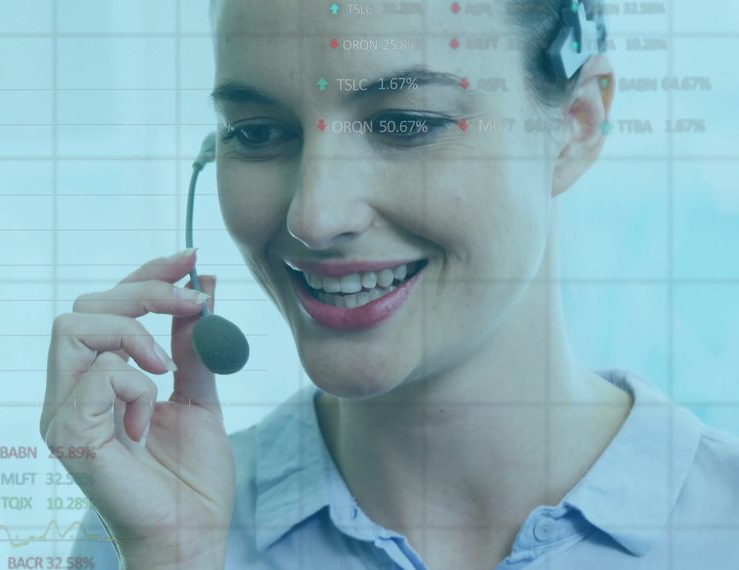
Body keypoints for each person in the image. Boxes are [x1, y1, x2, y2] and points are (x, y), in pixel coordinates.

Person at [41, 1, 739, 568]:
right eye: (256, 133)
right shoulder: (154, 524)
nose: (314, 215)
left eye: (406, 123)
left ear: (575, 127)